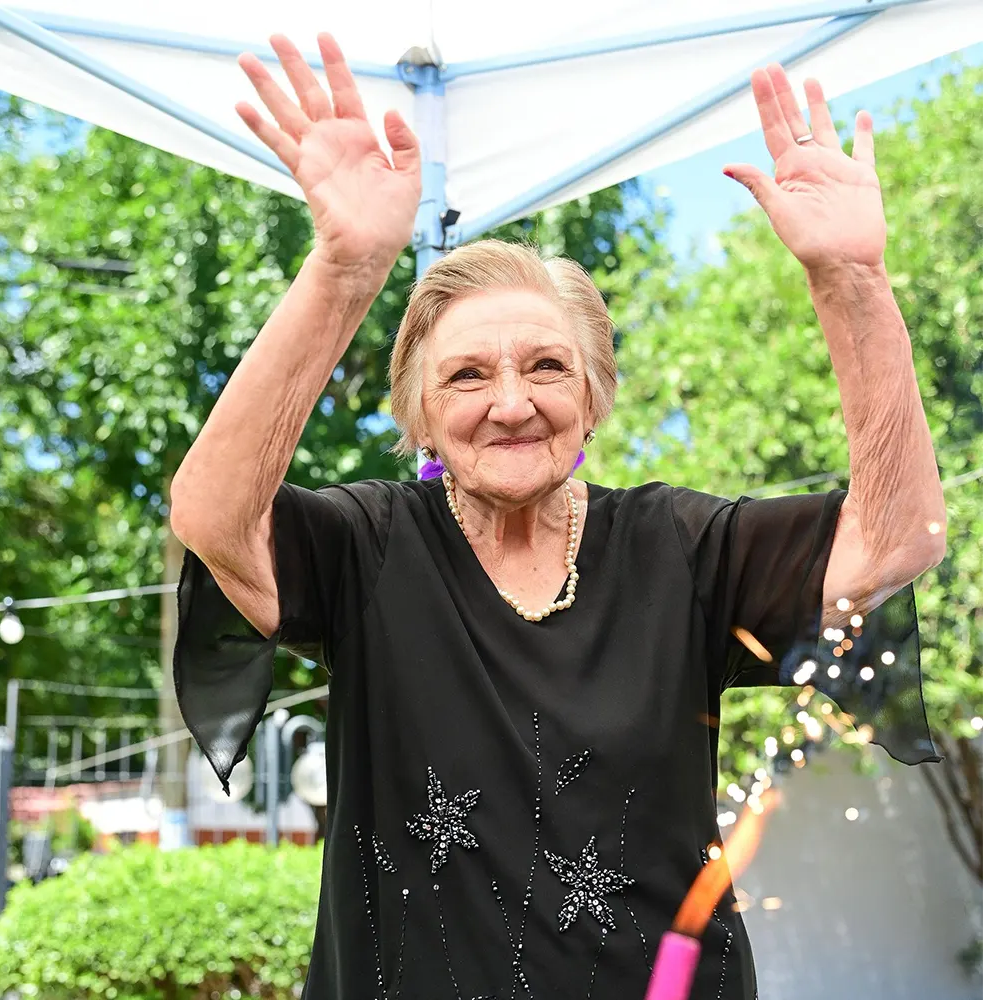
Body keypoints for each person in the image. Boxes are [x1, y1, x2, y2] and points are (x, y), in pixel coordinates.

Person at [171, 32, 947, 1000]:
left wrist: (851, 282)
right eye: (466, 374)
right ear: (416, 413)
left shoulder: (680, 546)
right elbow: (210, 513)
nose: (510, 401)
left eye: (546, 365)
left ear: (594, 395)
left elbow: (900, 538)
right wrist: (344, 270)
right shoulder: (368, 546)